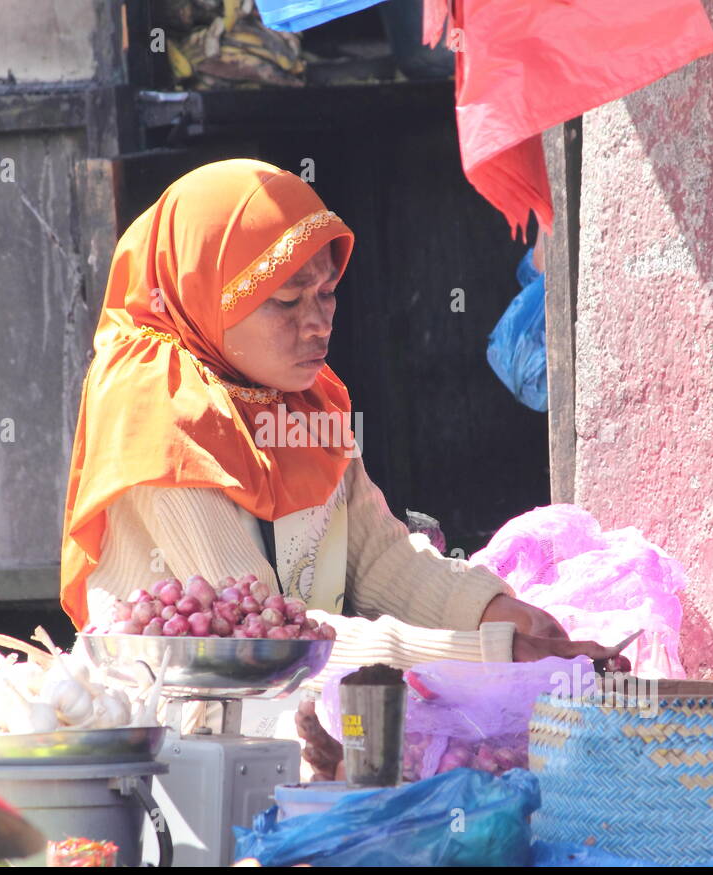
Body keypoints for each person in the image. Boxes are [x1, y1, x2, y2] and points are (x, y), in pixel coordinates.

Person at [59, 159, 626, 773]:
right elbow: (264, 635)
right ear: (204, 297)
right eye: (285, 300)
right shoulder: (153, 402)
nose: (318, 322)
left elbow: (379, 556)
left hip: (308, 714)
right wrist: (484, 652)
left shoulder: (302, 396)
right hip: (179, 753)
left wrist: (491, 610)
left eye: (327, 293)